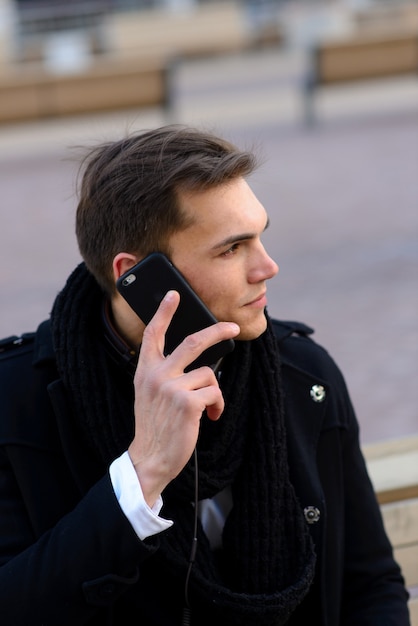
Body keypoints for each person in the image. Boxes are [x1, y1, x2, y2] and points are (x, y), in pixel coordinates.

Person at [0, 125, 410, 626]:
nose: (268, 266)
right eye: (232, 248)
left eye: (260, 235)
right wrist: (141, 474)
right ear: (140, 277)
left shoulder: (304, 377)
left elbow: (369, 586)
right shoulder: (14, 404)